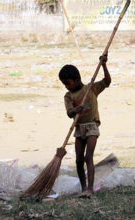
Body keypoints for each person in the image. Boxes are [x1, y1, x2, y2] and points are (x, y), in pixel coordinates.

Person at [58, 53, 111, 198]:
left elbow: (107, 81)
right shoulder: (68, 96)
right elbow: (69, 113)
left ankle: (90, 189)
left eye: (67, 83)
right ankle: (83, 189)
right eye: (64, 84)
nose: (66, 86)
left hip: (92, 126)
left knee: (89, 157)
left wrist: (104, 64)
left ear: (76, 79)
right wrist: (75, 110)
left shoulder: (91, 88)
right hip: (79, 128)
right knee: (79, 160)